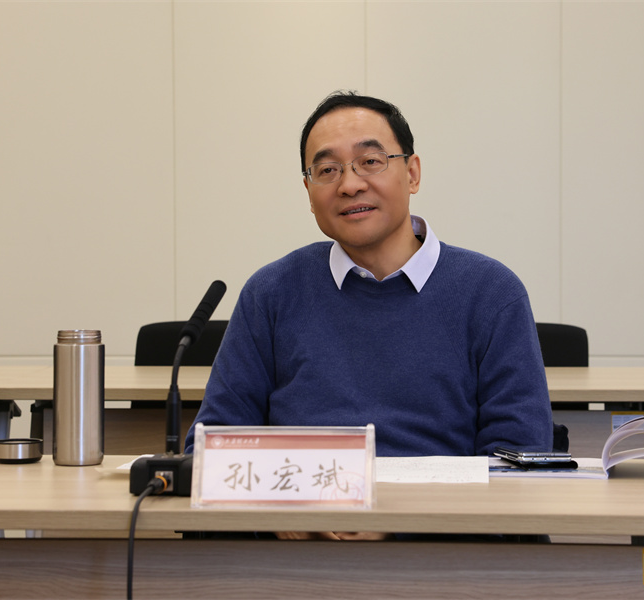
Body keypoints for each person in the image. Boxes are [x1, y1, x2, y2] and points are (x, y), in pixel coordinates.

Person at [185, 91, 552, 459]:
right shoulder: (271, 293)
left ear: (412, 174)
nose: (349, 185)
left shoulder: (491, 293)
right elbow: (214, 446)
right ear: (309, 193)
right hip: (307, 495)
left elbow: (518, 454)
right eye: (327, 170)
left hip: (441, 497)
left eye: (370, 162)